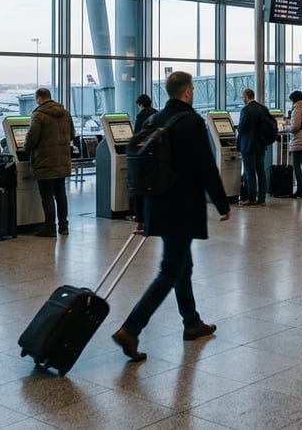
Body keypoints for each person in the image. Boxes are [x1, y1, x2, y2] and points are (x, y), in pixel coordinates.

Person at [111, 71, 231, 362]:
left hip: (157, 204)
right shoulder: (190, 122)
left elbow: (140, 169)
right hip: (181, 206)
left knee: (182, 265)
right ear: (188, 92)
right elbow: (206, 166)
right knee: (170, 269)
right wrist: (221, 203)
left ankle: (191, 322)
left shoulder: (153, 120)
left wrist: (141, 213)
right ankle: (131, 327)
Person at [25, 88, 75, 237]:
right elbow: (72, 134)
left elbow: (32, 138)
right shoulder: (65, 113)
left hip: (44, 161)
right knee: (61, 194)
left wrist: (26, 149)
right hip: (62, 160)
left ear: (39, 98)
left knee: (47, 195)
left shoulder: (38, 115)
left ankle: (50, 227)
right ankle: (64, 226)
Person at [237, 88, 271, 206]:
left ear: (246, 96)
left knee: (249, 172)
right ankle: (261, 199)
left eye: (243, 97)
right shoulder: (263, 108)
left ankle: (251, 198)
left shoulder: (246, 110)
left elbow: (241, 129)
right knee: (261, 171)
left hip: (248, 146)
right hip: (261, 145)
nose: (242, 99)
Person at [131, 94, 157, 233]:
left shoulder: (141, 117)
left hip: (142, 158)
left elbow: (136, 137)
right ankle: (151, 220)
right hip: (155, 158)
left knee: (139, 191)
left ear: (140, 104)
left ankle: (140, 223)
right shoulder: (157, 115)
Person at [282, 90, 302, 197]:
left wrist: (286, 127)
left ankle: (299, 189)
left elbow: (295, 127)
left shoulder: (297, 110)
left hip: (299, 141)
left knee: (296, 165)